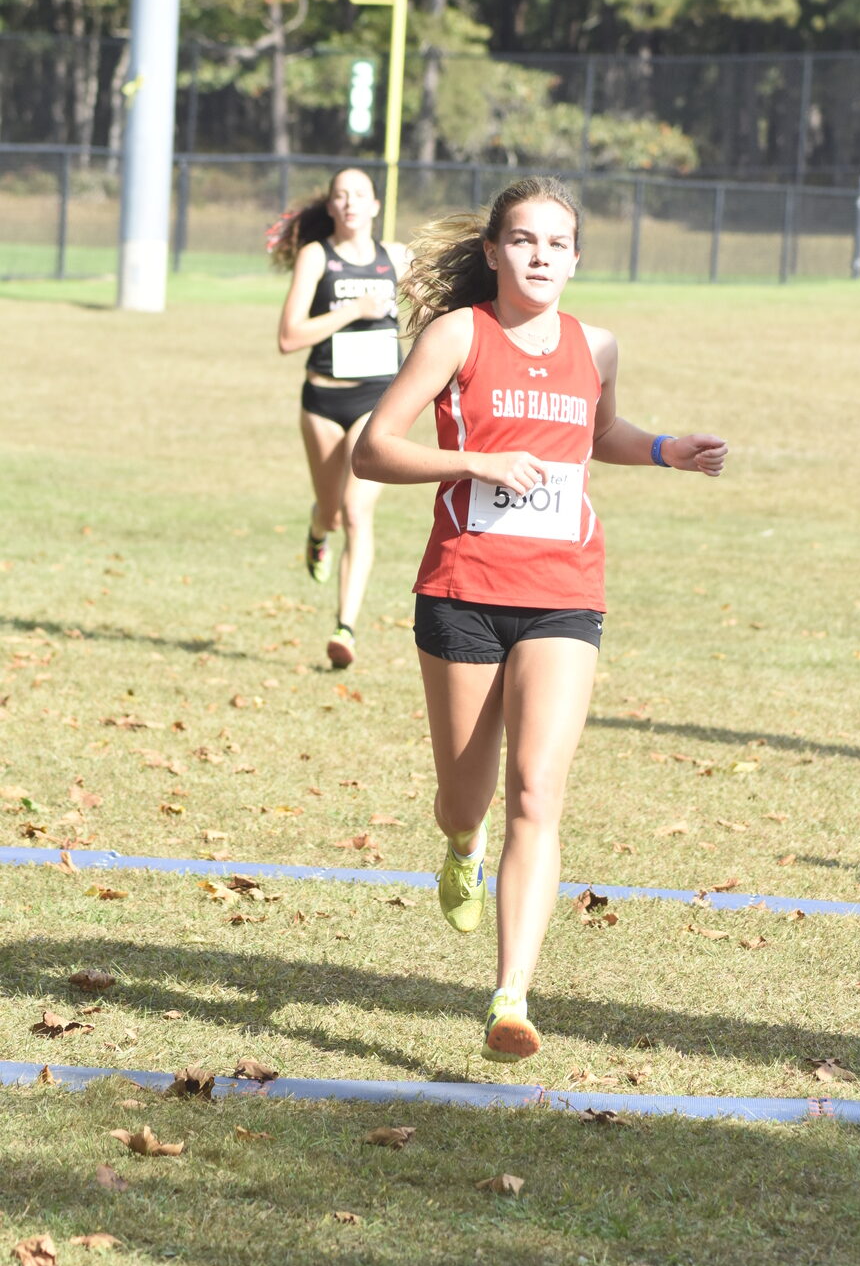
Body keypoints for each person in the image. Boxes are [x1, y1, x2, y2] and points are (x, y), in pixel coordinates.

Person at [352, 176, 727, 1064]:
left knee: (537, 790)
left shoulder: (595, 346)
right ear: (492, 252)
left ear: (576, 259)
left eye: (556, 245)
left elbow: (594, 432)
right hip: (462, 590)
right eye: (523, 241)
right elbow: (374, 447)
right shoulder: (457, 335)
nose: (539, 257)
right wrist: (475, 462)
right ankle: (458, 844)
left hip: (565, 591)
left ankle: (510, 995)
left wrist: (666, 448)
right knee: (465, 795)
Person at [272, 167, 410, 668]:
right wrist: (355, 310)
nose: (350, 202)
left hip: (378, 402)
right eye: (340, 195)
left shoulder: (396, 258)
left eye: (360, 195)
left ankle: (345, 629)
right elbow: (289, 337)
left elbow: (433, 307)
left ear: (376, 205)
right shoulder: (317, 257)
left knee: (357, 509)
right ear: (330, 206)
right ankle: (315, 529)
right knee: (331, 510)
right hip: (323, 401)